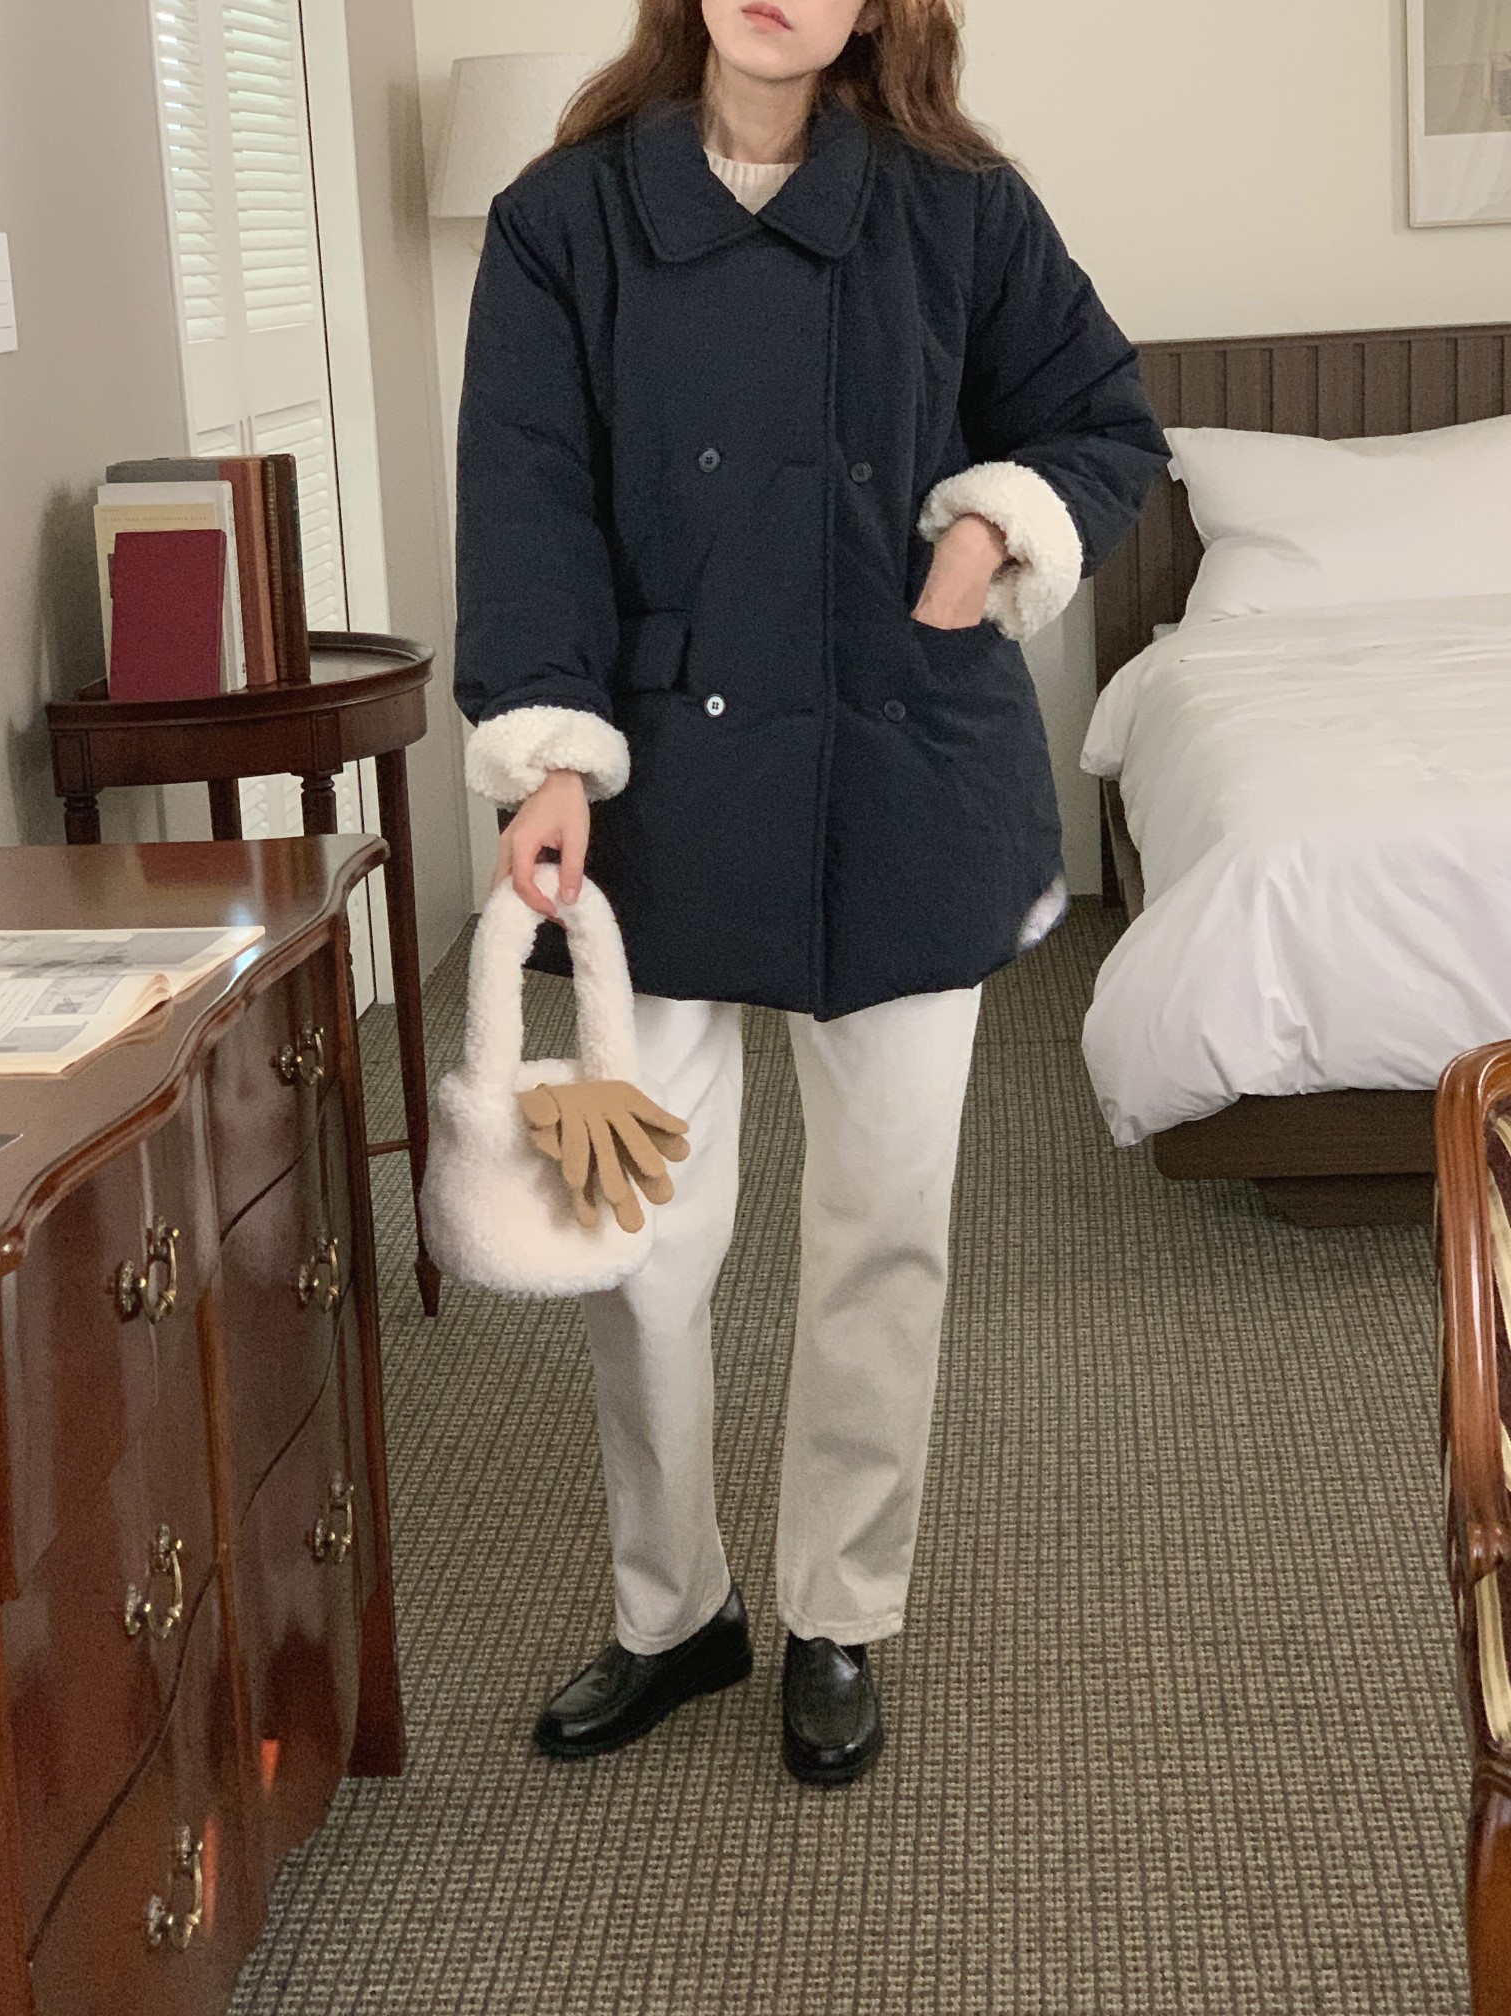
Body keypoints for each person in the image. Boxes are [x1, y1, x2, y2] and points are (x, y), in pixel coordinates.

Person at [453, 0, 1168, 1786]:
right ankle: (671, 1609)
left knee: (884, 1228)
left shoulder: (960, 204)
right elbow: (527, 501)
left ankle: (839, 1610)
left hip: (903, 774)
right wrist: (551, 751)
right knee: (635, 1236)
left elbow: (1104, 421)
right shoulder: (562, 219)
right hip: (656, 794)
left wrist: (991, 531)